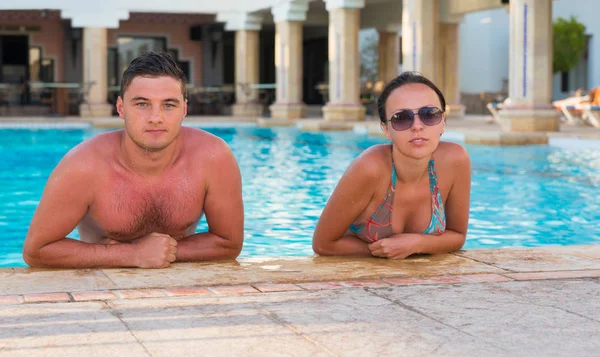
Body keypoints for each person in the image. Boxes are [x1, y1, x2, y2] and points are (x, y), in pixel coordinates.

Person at [23, 52, 244, 268]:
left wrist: (161, 253)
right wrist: (133, 254)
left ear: (184, 109)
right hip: (102, 290)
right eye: (142, 104)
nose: (155, 118)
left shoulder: (213, 157)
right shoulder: (84, 165)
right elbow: (37, 250)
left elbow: (228, 243)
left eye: (169, 105)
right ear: (121, 108)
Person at [312, 72, 471, 259]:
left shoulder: (455, 161)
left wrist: (415, 244)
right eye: (401, 118)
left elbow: (458, 235)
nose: (417, 126)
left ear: (443, 122)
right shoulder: (370, 168)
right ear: (386, 130)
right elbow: (323, 244)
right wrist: (386, 251)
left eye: (429, 114)